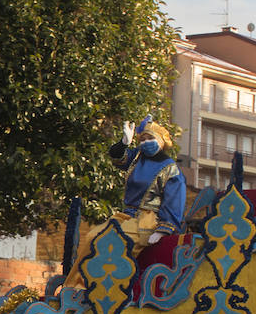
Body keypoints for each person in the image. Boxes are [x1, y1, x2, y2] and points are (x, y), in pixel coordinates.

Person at [65, 116, 186, 287]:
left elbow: (175, 200)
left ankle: (94, 289)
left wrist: (163, 230)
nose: (146, 142)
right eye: (142, 139)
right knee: (93, 236)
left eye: (150, 138)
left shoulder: (170, 168)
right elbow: (117, 157)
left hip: (148, 220)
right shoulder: (137, 158)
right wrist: (124, 142)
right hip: (126, 215)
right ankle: (73, 288)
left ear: (161, 141)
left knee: (114, 243)